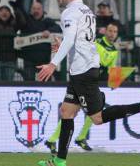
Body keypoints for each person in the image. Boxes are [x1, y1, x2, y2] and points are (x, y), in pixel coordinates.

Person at [37, 0, 140, 166]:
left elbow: (71, 38)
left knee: (97, 118)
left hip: (83, 71)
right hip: (82, 68)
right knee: (66, 111)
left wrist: (54, 63)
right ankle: (60, 161)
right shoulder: (87, 11)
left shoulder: (69, 12)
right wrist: (61, 43)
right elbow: (78, 38)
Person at [45, 22, 120, 153]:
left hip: (92, 81)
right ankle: (77, 138)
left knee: (74, 111)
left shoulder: (114, 51)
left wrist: (114, 81)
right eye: (110, 31)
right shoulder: (95, 41)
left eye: (115, 32)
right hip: (83, 77)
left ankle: (54, 140)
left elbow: (112, 68)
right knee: (88, 111)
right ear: (105, 31)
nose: (112, 34)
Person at [19, 0, 61, 81]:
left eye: (38, 9)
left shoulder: (47, 21)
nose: (36, 11)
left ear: (42, 10)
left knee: (45, 84)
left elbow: (58, 28)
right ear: (31, 10)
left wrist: (49, 31)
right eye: (34, 9)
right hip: (28, 60)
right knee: (28, 84)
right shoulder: (26, 21)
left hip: (44, 60)